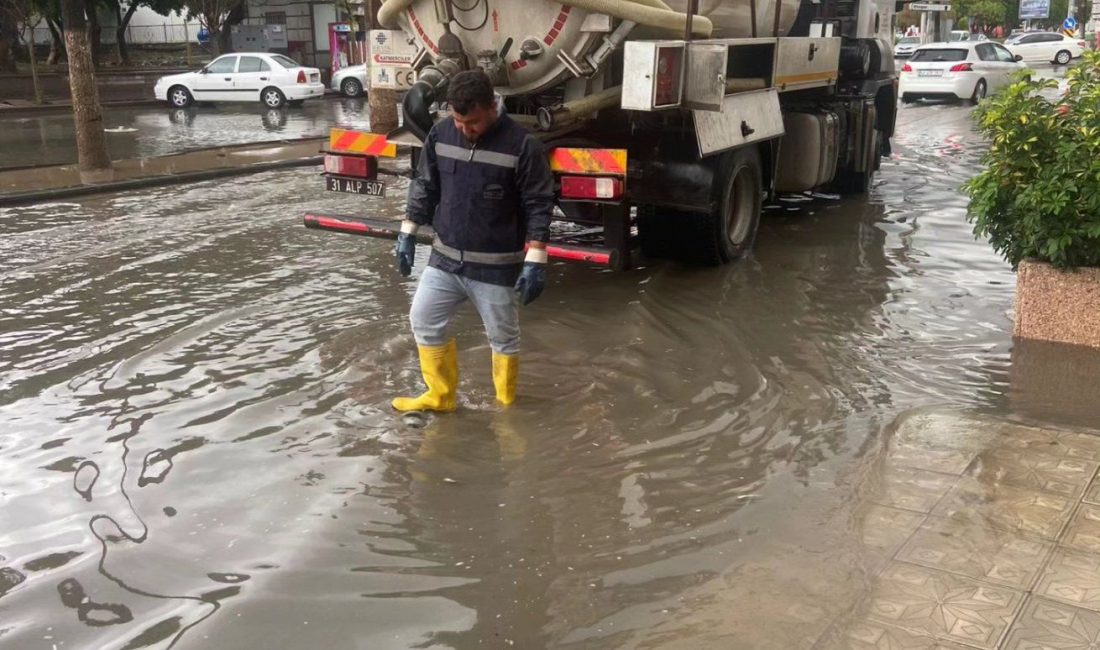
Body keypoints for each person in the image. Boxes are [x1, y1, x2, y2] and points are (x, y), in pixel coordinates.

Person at [392, 69, 555, 412]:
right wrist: (408, 230)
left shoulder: (523, 146)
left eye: (475, 122)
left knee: (503, 338)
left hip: (494, 268)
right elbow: (425, 185)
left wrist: (536, 259)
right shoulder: (440, 134)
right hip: (445, 261)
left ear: (492, 107)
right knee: (422, 319)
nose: (466, 129)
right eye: (459, 121)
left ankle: (507, 407)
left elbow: (538, 203)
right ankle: (440, 396)